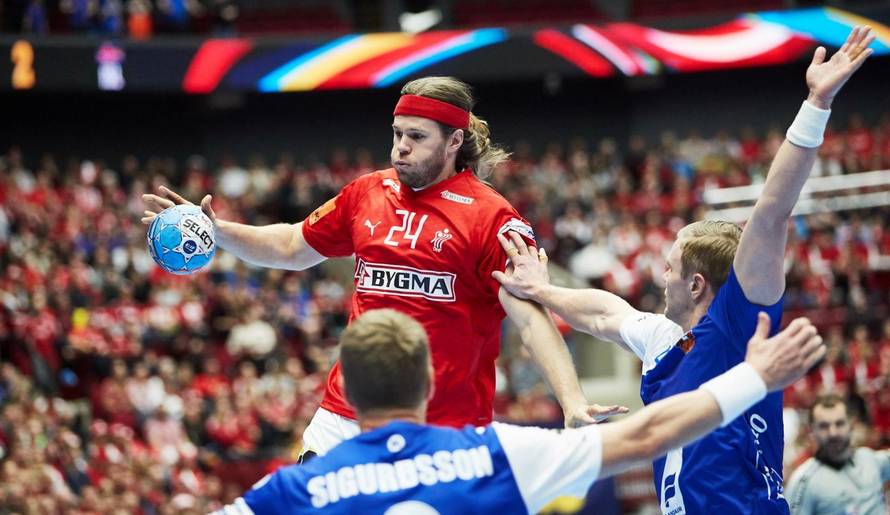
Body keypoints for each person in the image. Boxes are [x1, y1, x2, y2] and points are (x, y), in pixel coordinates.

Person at [492, 26, 876, 514]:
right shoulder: (664, 337)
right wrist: (543, 291)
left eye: (669, 267)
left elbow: (772, 211)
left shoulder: (736, 325)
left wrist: (816, 104)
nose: (659, 275)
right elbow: (604, 314)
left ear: (696, 284)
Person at [142, 76, 623, 461]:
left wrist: (571, 400)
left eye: (417, 137)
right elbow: (291, 244)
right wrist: (218, 230)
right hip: (346, 413)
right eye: (397, 134)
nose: (401, 148)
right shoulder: (367, 192)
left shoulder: (493, 218)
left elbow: (530, 319)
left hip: (443, 430)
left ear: (455, 141)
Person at [215, 308, 824, 514]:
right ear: (428, 381)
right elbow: (649, 434)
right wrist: (756, 377)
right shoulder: (494, 453)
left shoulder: (294, 490)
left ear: (348, 387)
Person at [785, 394, 890, 515]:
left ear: (851, 424)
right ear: (811, 430)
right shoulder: (803, 482)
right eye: (824, 426)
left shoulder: (869, 459)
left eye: (839, 424)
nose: (833, 433)